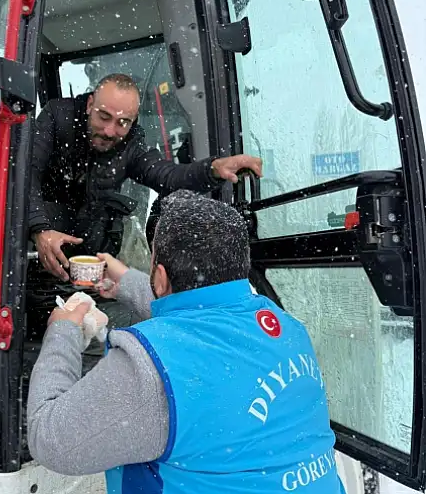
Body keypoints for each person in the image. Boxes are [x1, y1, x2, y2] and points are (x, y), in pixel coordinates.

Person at [26, 190, 345, 493]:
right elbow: (203, 312)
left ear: (161, 277)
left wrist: (63, 330)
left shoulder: (153, 370)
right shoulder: (287, 328)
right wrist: (125, 282)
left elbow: (49, 438)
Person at [29, 73, 263, 280]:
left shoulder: (132, 145)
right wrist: (40, 230)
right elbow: (25, 175)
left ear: (133, 120)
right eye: (104, 116)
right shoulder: (57, 116)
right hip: (35, 246)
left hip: (92, 255)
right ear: (90, 104)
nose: (110, 131)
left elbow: (169, 177)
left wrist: (212, 170)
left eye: (123, 122)